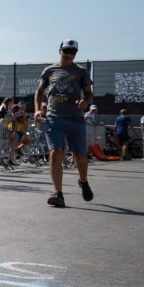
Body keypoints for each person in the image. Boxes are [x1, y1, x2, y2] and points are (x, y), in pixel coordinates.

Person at [33, 38, 94, 208]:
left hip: (75, 118)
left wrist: (85, 103)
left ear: (76, 54)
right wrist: (38, 109)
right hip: (54, 117)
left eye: (72, 52)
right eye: (66, 51)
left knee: (80, 157)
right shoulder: (49, 70)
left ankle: (83, 181)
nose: (68, 55)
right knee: (55, 153)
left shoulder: (81, 71)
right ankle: (58, 193)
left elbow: (89, 94)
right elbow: (39, 92)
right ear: (59, 50)